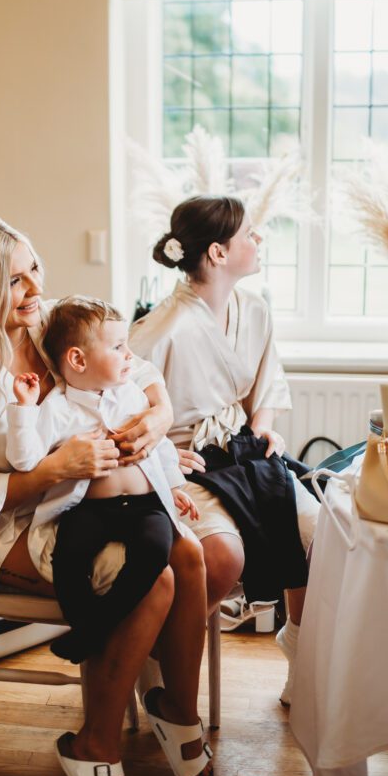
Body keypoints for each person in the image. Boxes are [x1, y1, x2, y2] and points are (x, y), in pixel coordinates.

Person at [0, 215, 213, 776]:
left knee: (191, 555)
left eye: (34, 268)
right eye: (14, 280)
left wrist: (157, 419)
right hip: (6, 525)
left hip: (86, 498)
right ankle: (94, 744)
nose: (34, 287)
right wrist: (54, 470)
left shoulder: (48, 329)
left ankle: (176, 710)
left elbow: (139, 369)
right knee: (151, 582)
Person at [129, 196, 320, 705]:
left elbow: (265, 387)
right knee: (221, 556)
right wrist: (165, 457)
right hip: (187, 464)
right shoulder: (158, 331)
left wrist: (265, 426)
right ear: (217, 252)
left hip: (242, 451)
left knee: (322, 533)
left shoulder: (254, 310)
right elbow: (124, 413)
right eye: (250, 234)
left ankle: (298, 650)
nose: (259, 241)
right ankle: (160, 654)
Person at [5, 295, 199, 665]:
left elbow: (159, 446)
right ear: (78, 359)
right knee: (68, 558)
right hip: (89, 508)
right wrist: (23, 410)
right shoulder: (57, 409)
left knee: (155, 552)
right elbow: (25, 458)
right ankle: (85, 626)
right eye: (118, 347)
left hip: (144, 506)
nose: (129, 355)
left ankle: (99, 626)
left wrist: (174, 487)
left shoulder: (131, 397)